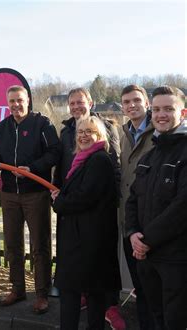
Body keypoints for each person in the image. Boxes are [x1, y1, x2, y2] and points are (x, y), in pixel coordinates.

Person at [53, 87, 124, 329]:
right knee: (89, 293)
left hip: (89, 238)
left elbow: (85, 197)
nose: (83, 135)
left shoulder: (99, 160)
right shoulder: (83, 159)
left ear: (100, 135)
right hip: (81, 236)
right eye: (81, 132)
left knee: (84, 294)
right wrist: (62, 194)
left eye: (90, 132)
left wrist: (60, 201)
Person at [0, 85, 59, 313]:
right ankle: (18, 289)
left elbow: (54, 153)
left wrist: (33, 169)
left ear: (27, 100)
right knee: (12, 244)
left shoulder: (42, 124)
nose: (15, 105)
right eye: (11, 101)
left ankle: (41, 294)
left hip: (35, 193)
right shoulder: (2, 127)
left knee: (39, 245)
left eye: (19, 100)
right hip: (9, 194)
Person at [125, 86, 187, 329]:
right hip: (147, 259)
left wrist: (147, 239)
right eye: (157, 109)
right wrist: (132, 234)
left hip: (176, 260)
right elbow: (132, 199)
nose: (161, 114)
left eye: (168, 109)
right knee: (155, 319)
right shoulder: (149, 156)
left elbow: (182, 207)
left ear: (182, 112)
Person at [119, 84, 155, 329]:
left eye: (136, 100)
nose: (131, 105)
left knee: (155, 289)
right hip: (128, 221)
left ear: (146, 103)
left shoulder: (159, 133)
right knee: (140, 286)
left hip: (151, 223)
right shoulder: (123, 133)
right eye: (126, 102)